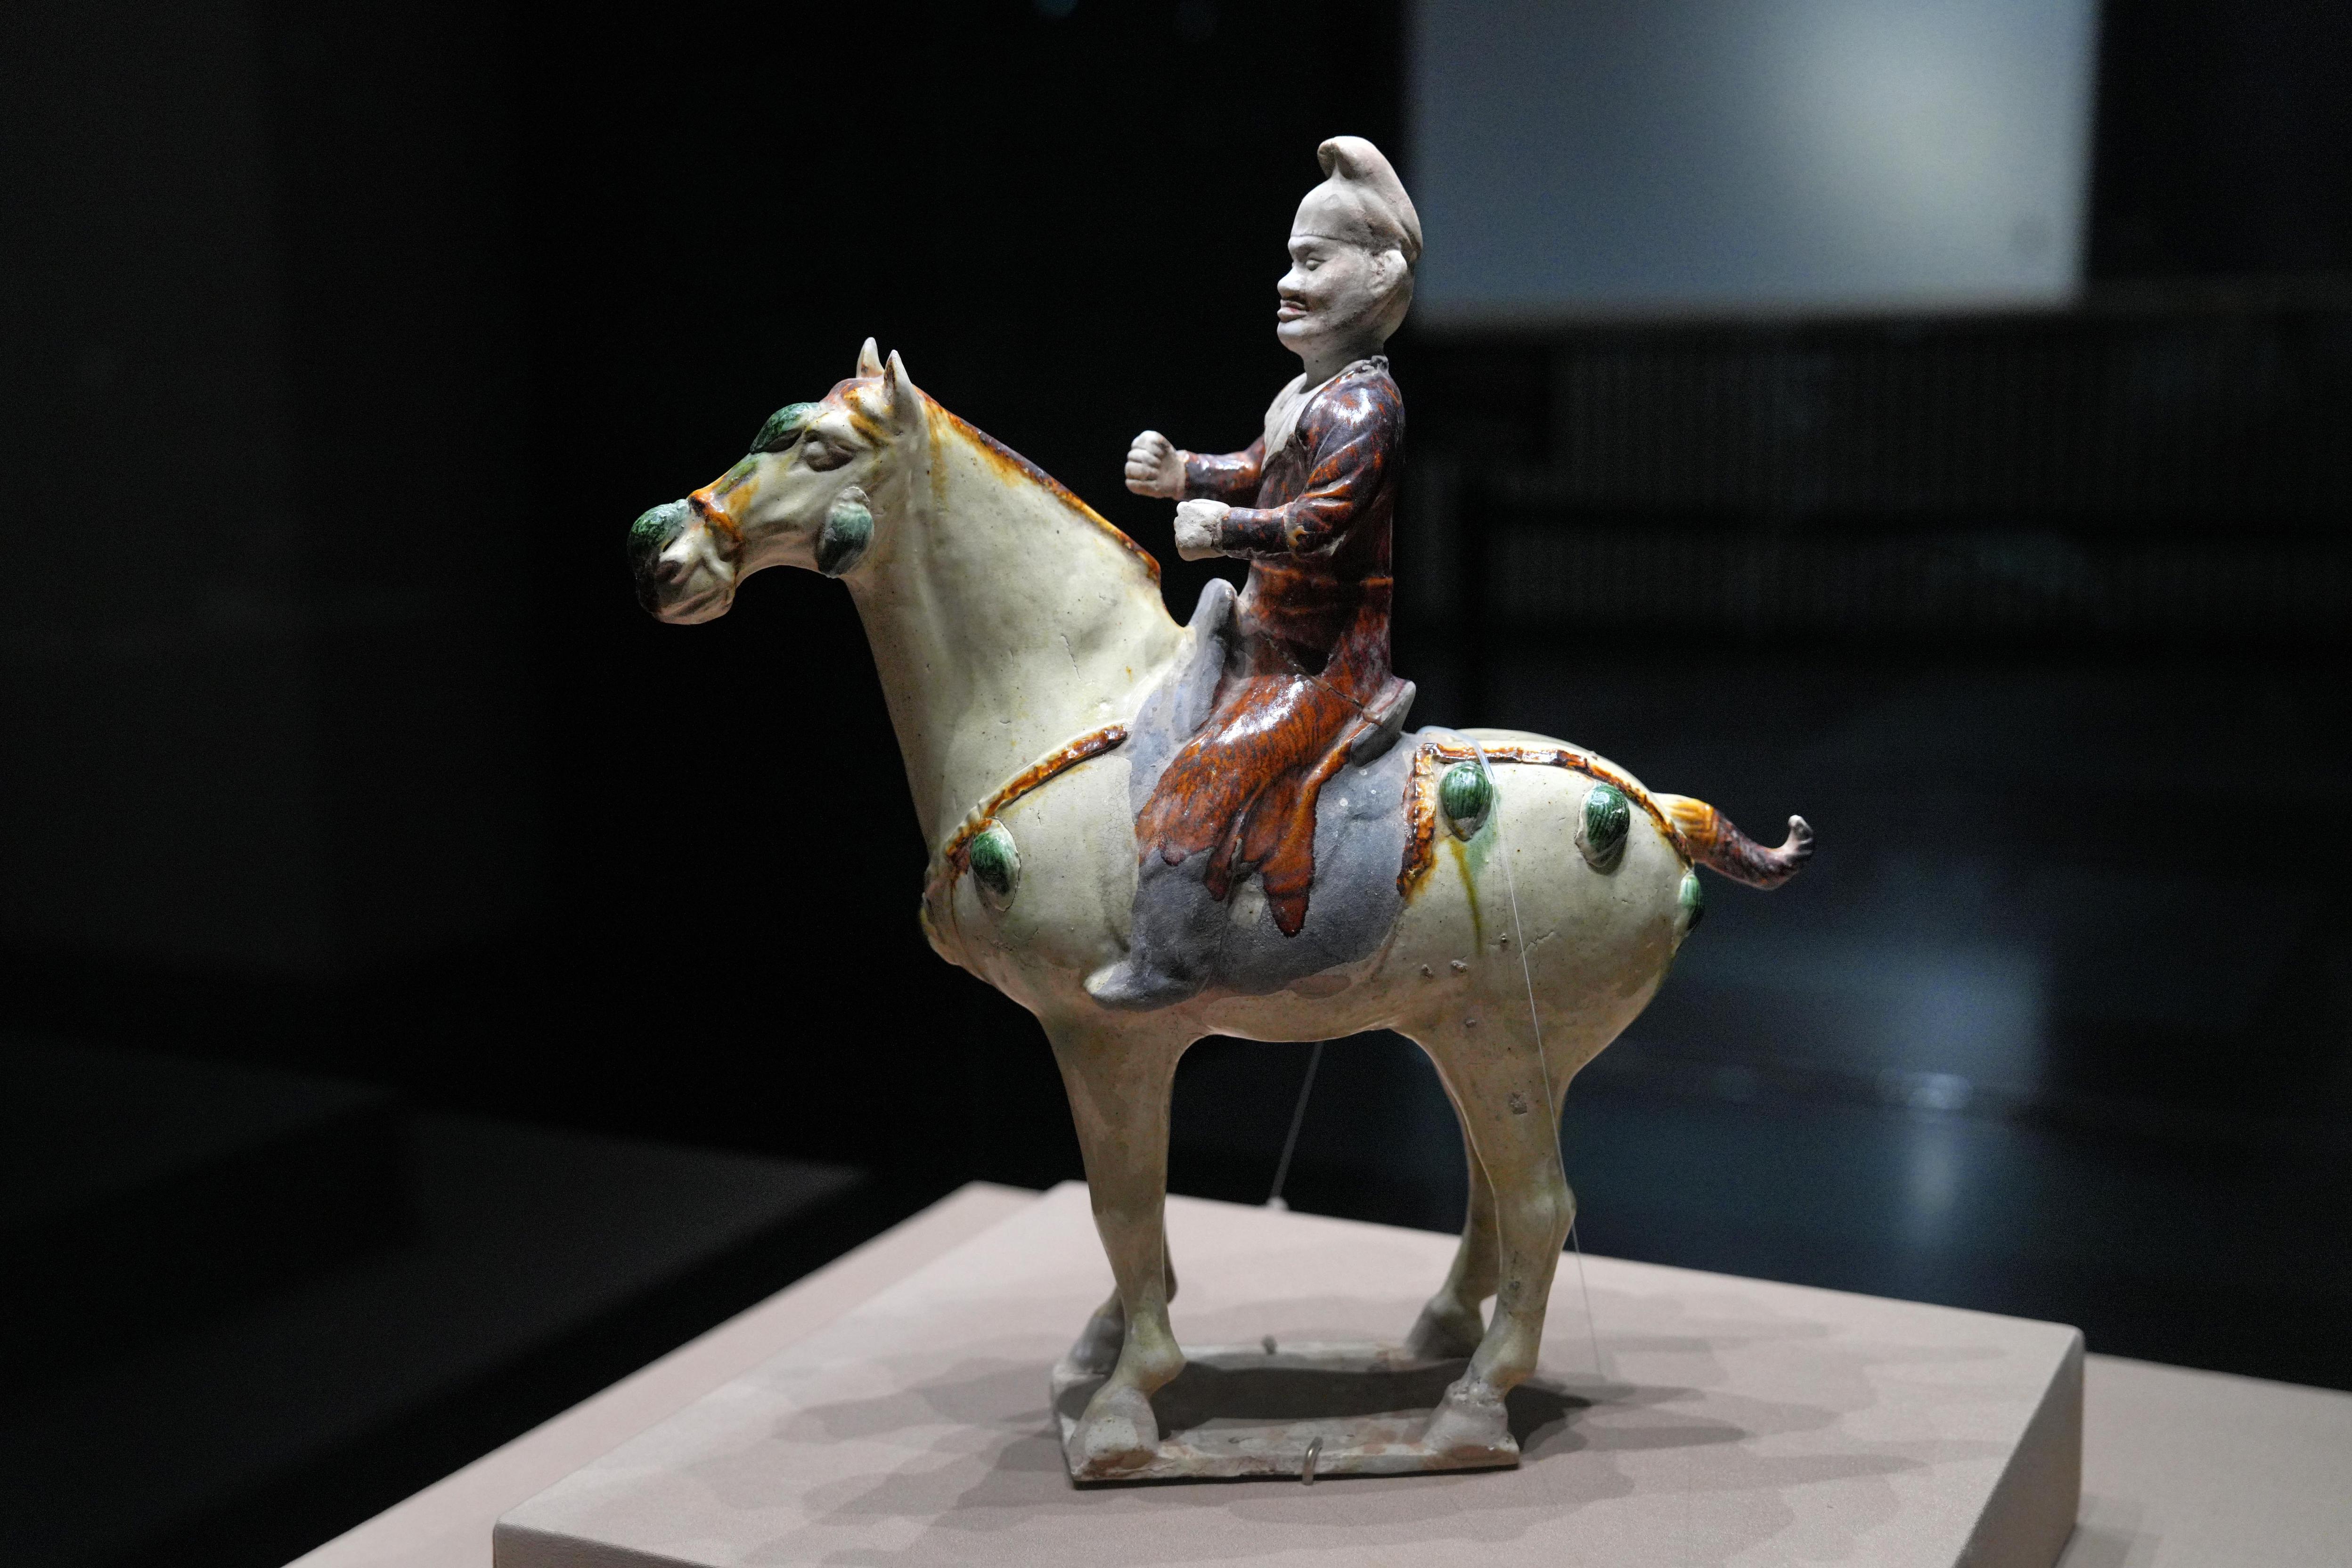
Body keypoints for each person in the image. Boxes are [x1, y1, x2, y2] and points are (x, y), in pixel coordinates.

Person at [1087, 136, 1420, 1012]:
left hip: (1324, 663)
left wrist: (1223, 529)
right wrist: (1187, 474)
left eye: (1313, 262)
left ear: (1380, 275)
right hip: (1265, 633)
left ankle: (1171, 959)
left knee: (1205, 780)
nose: (1287, 281)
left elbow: (1319, 526)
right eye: (1290, 260)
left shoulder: (1365, 407)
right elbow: (1258, 466)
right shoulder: (1308, 394)